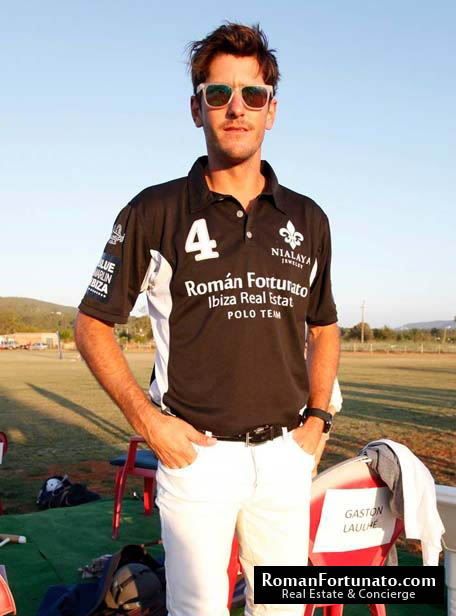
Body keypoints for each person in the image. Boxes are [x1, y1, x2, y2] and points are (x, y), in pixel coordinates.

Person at [75, 23, 340, 616]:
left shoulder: (309, 219)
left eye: (253, 94)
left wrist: (319, 420)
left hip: (285, 456)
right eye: (218, 93)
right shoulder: (155, 210)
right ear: (197, 108)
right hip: (196, 457)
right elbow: (91, 323)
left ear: (272, 110)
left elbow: (324, 326)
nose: (236, 108)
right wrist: (147, 421)